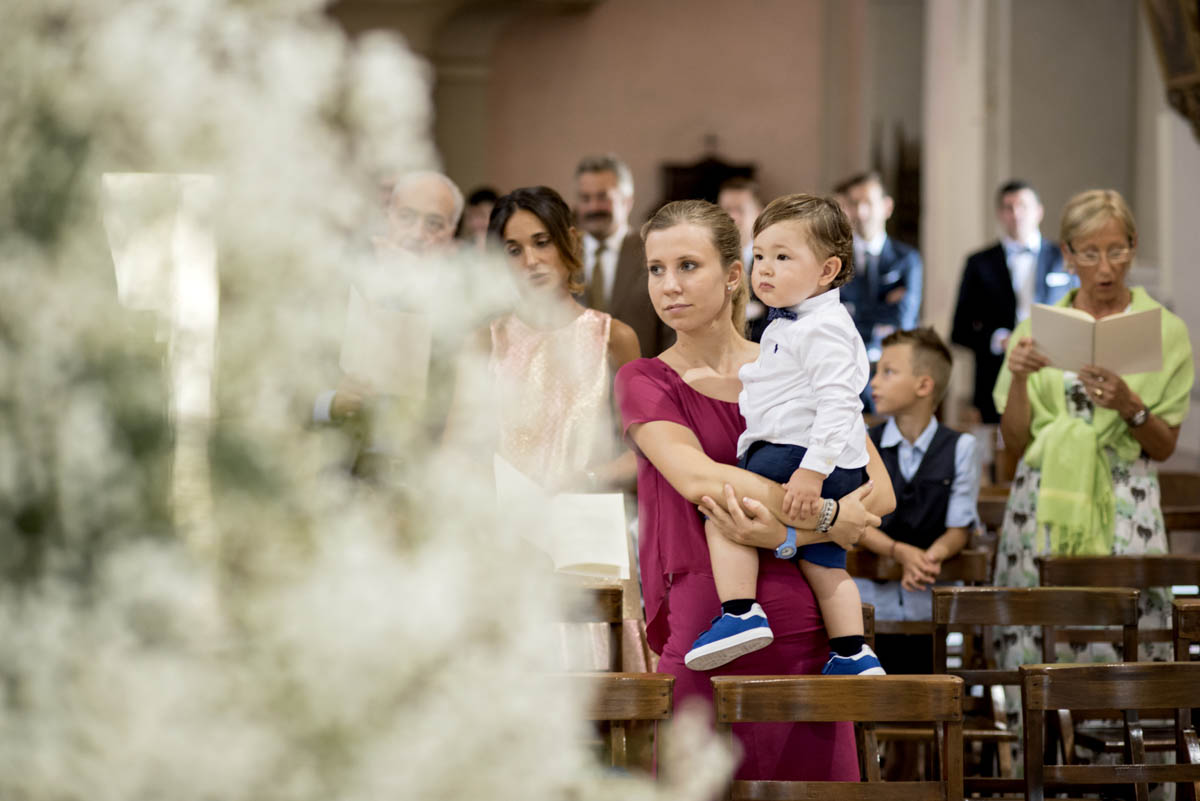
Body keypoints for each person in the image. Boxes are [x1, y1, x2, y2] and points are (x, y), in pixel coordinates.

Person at [615, 199, 896, 781]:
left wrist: (798, 528)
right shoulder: (645, 379)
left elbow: (880, 490)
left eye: (688, 266)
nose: (669, 285)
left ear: (735, 274)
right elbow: (697, 478)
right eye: (655, 269)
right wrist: (819, 519)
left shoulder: (794, 361)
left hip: (807, 629)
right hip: (712, 626)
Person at [991, 189, 1193, 726]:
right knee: (1040, 642)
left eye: (1117, 251)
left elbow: (1166, 446)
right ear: (1067, 255)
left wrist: (1129, 405)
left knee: (1122, 638)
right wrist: (1017, 376)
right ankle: (1041, 757)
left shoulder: (1166, 332)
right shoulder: (1037, 331)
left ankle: (1124, 767)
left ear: (1133, 247)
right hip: (1043, 503)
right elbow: (1014, 442)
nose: (1105, 268)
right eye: (1089, 253)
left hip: (1124, 500)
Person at [684, 194, 882, 676]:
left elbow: (840, 403)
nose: (764, 269)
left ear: (827, 270)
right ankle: (853, 653)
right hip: (820, 462)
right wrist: (712, 385)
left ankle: (739, 614)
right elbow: (772, 383)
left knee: (725, 511)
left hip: (796, 457)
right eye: (760, 256)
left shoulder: (822, 328)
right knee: (826, 564)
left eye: (782, 257)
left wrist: (811, 473)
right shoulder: (795, 323)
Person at [855, 327, 978, 675]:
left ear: (924, 385)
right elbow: (858, 520)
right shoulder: (864, 440)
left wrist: (928, 557)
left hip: (930, 603)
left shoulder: (960, 447)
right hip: (870, 604)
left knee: (928, 692)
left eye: (888, 372)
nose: (874, 382)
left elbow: (960, 527)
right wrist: (899, 552)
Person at [951, 180, 1076, 423]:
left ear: (1039, 211)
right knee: (1000, 454)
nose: (1016, 214)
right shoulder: (979, 263)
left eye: (1023, 206)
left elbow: (1078, 312)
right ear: (1000, 214)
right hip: (996, 377)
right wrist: (999, 340)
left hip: (1054, 374)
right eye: (1008, 207)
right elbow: (959, 330)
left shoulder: (1064, 258)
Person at [574, 154, 673, 356]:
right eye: (585, 198)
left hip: (641, 380)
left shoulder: (654, 252)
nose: (593, 207)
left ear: (627, 201)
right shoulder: (563, 256)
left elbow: (671, 329)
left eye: (603, 197)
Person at [836, 171, 923, 365]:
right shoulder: (834, 260)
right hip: (845, 365)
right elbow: (832, 320)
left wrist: (854, 310)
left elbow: (903, 320)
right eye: (854, 203)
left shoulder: (907, 260)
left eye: (868, 203)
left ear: (887, 207)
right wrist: (883, 307)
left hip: (893, 363)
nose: (861, 212)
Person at [717, 177, 768, 341]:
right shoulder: (711, 257)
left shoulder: (771, 259)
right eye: (726, 209)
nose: (732, 217)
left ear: (759, 213)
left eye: (740, 210)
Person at [457, 185, 499, 251]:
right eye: (470, 217)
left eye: (482, 216)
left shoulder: (507, 248)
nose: (474, 223)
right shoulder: (462, 249)